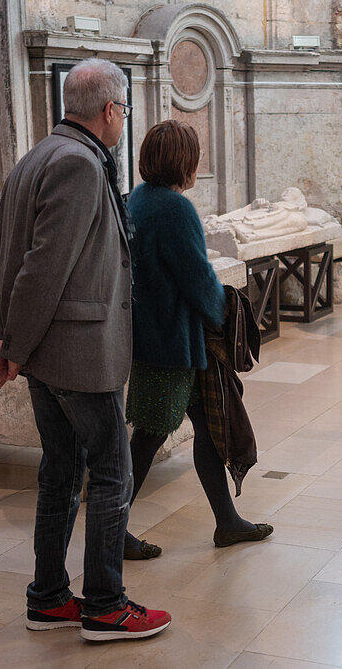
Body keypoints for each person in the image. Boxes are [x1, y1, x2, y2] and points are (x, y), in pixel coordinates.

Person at [0, 58, 170, 642]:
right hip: (76, 353)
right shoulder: (79, 165)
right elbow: (42, 268)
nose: (125, 121)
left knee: (61, 471)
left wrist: (4, 336)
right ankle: (106, 604)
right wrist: (10, 346)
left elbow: (1, 263)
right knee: (112, 470)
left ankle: (49, 596)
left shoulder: (36, 157)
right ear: (112, 110)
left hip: (48, 351)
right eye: (126, 112)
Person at [123, 120, 273, 561]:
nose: (197, 166)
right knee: (149, 436)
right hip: (175, 343)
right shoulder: (174, 208)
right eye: (194, 158)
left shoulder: (138, 198)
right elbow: (197, 277)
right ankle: (112, 531)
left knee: (206, 427)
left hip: (154, 335)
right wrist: (221, 312)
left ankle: (226, 521)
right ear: (182, 163)